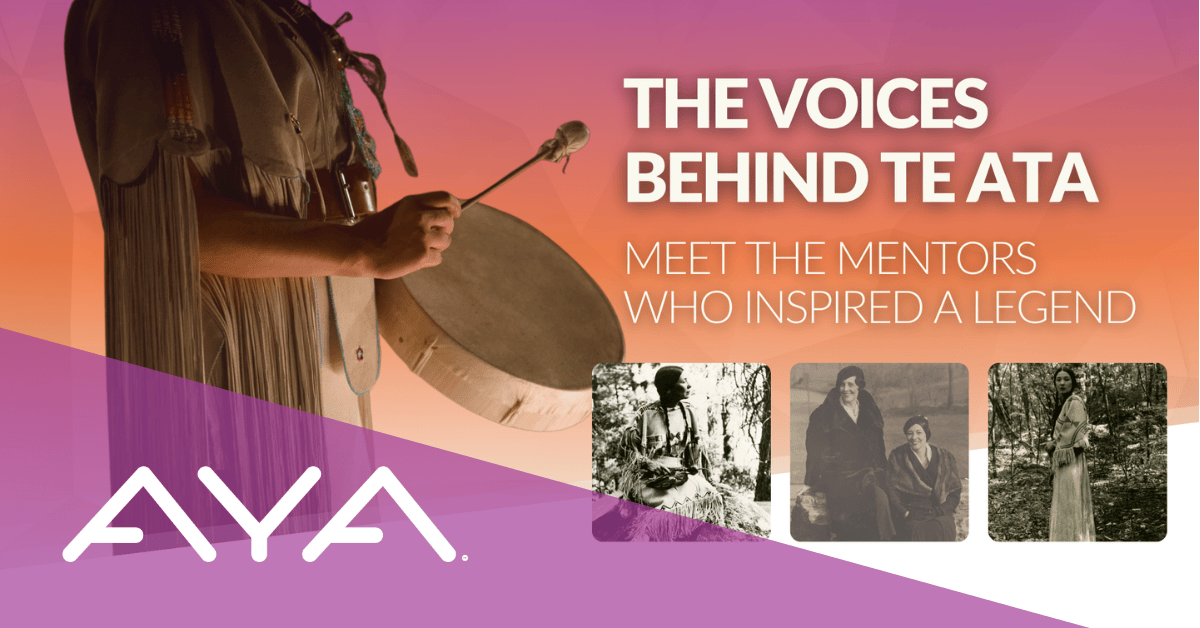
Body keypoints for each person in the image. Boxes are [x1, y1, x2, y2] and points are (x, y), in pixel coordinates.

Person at [64, 0, 459, 427]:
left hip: (329, 347)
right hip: (231, 370)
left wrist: (380, 234)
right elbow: (165, 229)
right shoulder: (148, 11)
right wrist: (363, 249)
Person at [804, 365, 894, 541]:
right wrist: (810, 483)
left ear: (859, 386)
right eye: (842, 384)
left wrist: (885, 472)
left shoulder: (870, 411)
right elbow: (814, 451)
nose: (846, 389)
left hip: (870, 475)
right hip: (839, 478)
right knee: (852, 519)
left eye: (851, 384)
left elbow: (878, 447)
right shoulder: (823, 414)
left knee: (883, 501)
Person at [886, 416, 963, 542]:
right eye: (909, 433)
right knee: (913, 530)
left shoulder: (945, 456)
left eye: (919, 432)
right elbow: (891, 490)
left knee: (944, 528)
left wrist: (941, 511)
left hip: (938, 509)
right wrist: (905, 513)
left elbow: (955, 491)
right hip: (911, 511)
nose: (914, 437)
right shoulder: (897, 456)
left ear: (927, 434)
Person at [1045, 367, 1095, 542]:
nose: (1062, 383)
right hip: (1063, 463)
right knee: (1064, 505)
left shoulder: (1075, 402)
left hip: (1072, 462)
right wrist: (1054, 447)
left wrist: (1055, 448)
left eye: (1066, 379)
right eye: (1058, 379)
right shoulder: (1062, 404)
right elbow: (1061, 436)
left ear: (1073, 382)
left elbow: (1080, 442)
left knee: (1071, 504)